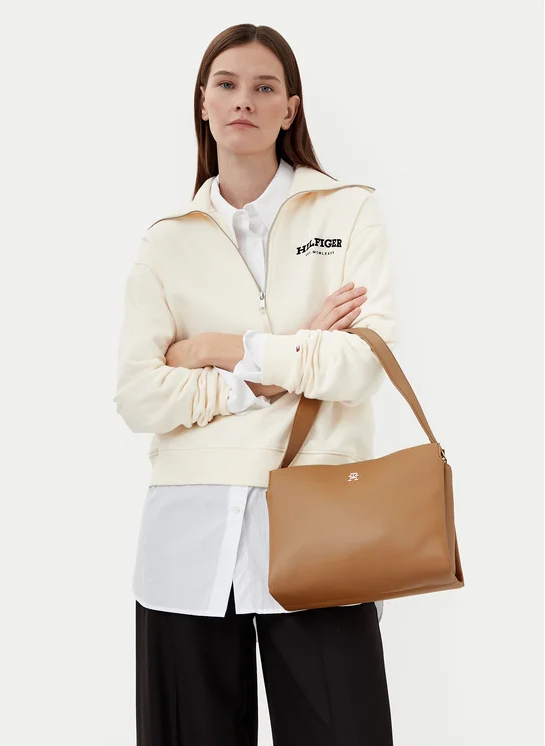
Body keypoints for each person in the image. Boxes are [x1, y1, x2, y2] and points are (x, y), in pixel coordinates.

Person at [113, 22, 398, 746]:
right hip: (188, 537)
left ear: (289, 109)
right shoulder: (166, 240)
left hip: (323, 525)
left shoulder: (348, 211)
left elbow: (364, 363)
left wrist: (223, 350)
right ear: (203, 103)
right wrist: (261, 379)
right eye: (227, 84)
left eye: (264, 87)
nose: (244, 99)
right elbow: (138, 396)